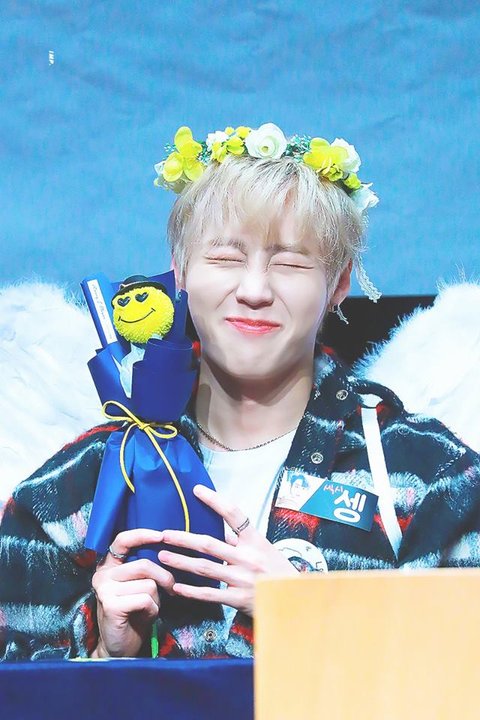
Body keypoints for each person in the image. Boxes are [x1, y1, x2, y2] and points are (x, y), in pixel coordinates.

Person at [1, 122, 480, 662]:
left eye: (290, 262)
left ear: (338, 283)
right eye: (226, 259)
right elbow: (18, 687)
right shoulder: (71, 493)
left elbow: (465, 676)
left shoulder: (428, 476)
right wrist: (105, 655)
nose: (254, 290)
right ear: (180, 272)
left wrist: (312, 616)